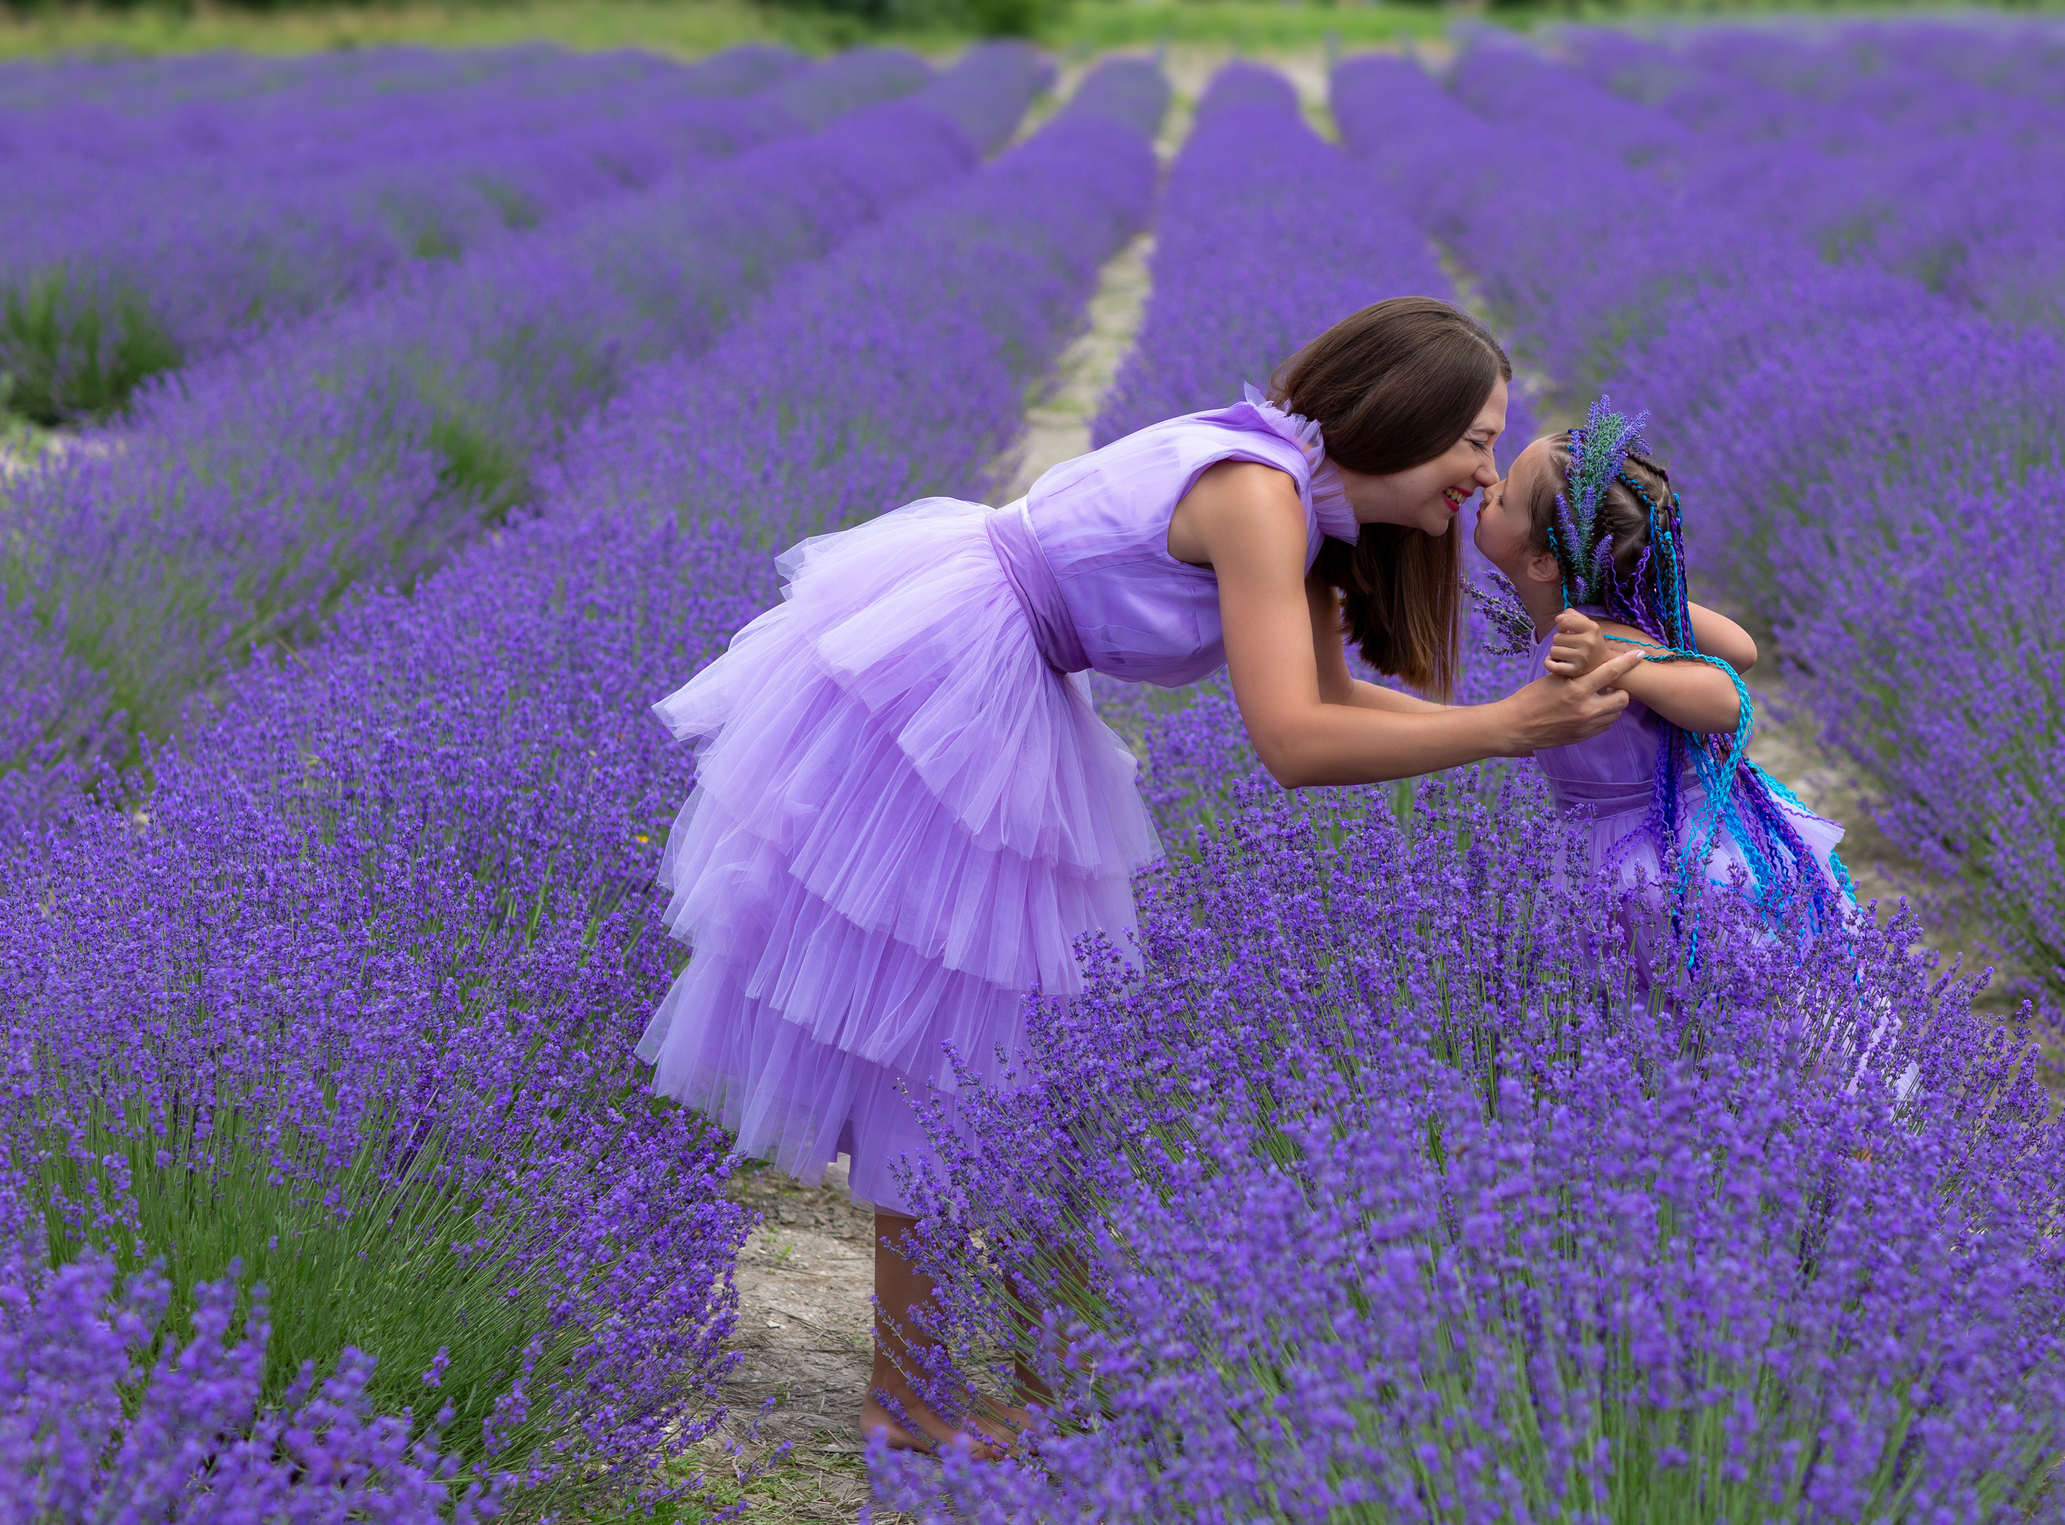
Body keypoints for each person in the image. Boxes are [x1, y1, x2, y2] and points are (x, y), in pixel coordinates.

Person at [636, 296, 1645, 1453]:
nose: (1482, 474)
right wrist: (1509, 730)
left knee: (1031, 1054)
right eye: (1476, 440)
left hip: (1005, 685)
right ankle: (913, 1404)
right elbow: (1293, 745)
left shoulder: (1304, 505)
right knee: (954, 1050)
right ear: (1398, 412)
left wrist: (1509, 717)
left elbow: (1336, 700)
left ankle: (1033, 1391)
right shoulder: (1258, 494)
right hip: (952, 690)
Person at [1470, 399, 1855, 961]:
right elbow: (1741, 648)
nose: (1487, 490)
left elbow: (1728, 697)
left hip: (1664, 859)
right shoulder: (1604, 621)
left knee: (1707, 1017)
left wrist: (1629, 664)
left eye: (1502, 497)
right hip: (1611, 847)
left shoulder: (1605, 637)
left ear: (1542, 564)